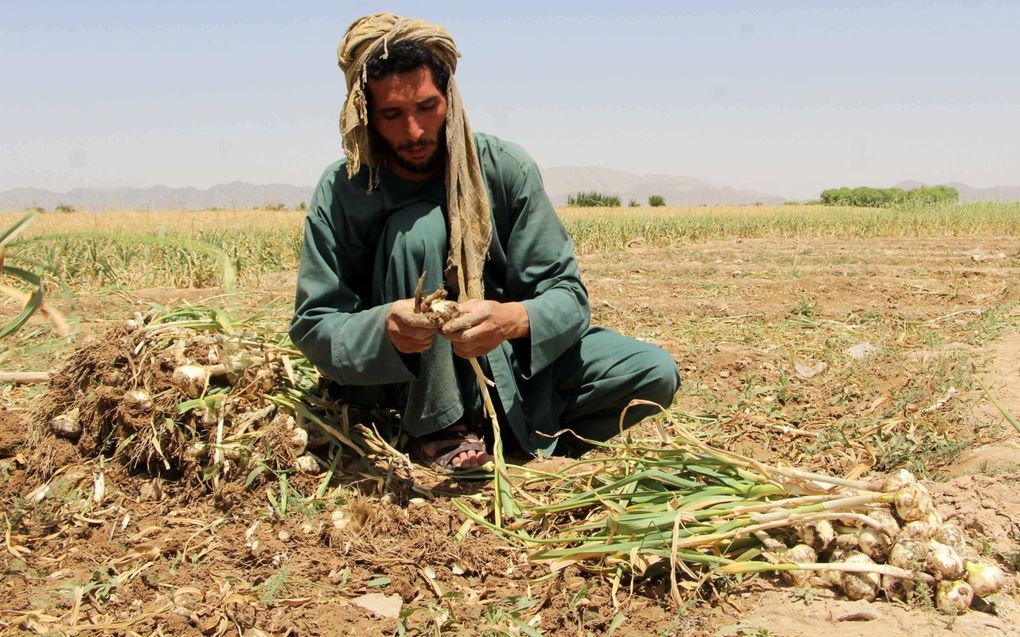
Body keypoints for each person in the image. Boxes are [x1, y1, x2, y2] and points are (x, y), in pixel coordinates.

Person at [289, 13, 679, 472]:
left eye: (427, 107)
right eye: (392, 115)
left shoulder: (505, 169)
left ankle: (515, 434)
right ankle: (435, 424)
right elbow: (315, 324)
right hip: (400, 379)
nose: (414, 131)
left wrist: (511, 318)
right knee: (421, 228)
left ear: (450, 98)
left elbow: (568, 297)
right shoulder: (343, 189)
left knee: (653, 373)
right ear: (366, 115)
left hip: (505, 367)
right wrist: (383, 328)